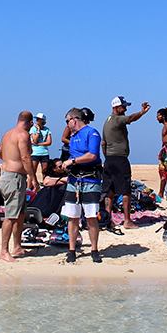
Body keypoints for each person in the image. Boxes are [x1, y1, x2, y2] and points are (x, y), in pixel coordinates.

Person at [62, 107, 104, 263]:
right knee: (72, 217)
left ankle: (94, 249)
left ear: (74, 119)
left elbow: (92, 155)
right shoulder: (73, 137)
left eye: (67, 121)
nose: (67, 125)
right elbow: (73, 155)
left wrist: (72, 161)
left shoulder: (92, 133)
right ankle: (72, 250)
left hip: (90, 180)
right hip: (74, 180)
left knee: (91, 216)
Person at [102, 95, 151, 228]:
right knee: (126, 191)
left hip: (109, 160)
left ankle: (108, 219)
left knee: (110, 191)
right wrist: (142, 112)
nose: (125, 109)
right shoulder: (118, 119)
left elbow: (103, 142)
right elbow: (131, 119)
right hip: (119, 159)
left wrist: (107, 156)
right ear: (116, 107)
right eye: (123, 107)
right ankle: (127, 221)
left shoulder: (107, 120)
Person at [0, 111, 40, 262]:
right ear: (29, 123)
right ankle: (3, 251)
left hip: (11, 177)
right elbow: (25, 157)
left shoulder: (7, 134)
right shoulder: (23, 135)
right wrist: (33, 177)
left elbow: (1, 154)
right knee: (11, 215)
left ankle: (17, 246)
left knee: (20, 213)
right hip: (13, 178)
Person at [29, 112, 53, 183]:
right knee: (33, 171)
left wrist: (39, 144)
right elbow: (35, 140)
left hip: (44, 153)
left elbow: (49, 142)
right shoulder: (33, 129)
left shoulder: (47, 129)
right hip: (35, 153)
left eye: (39, 119)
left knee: (45, 171)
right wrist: (38, 130)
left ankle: (45, 185)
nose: (37, 121)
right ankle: (30, 187)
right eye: (37, 119)